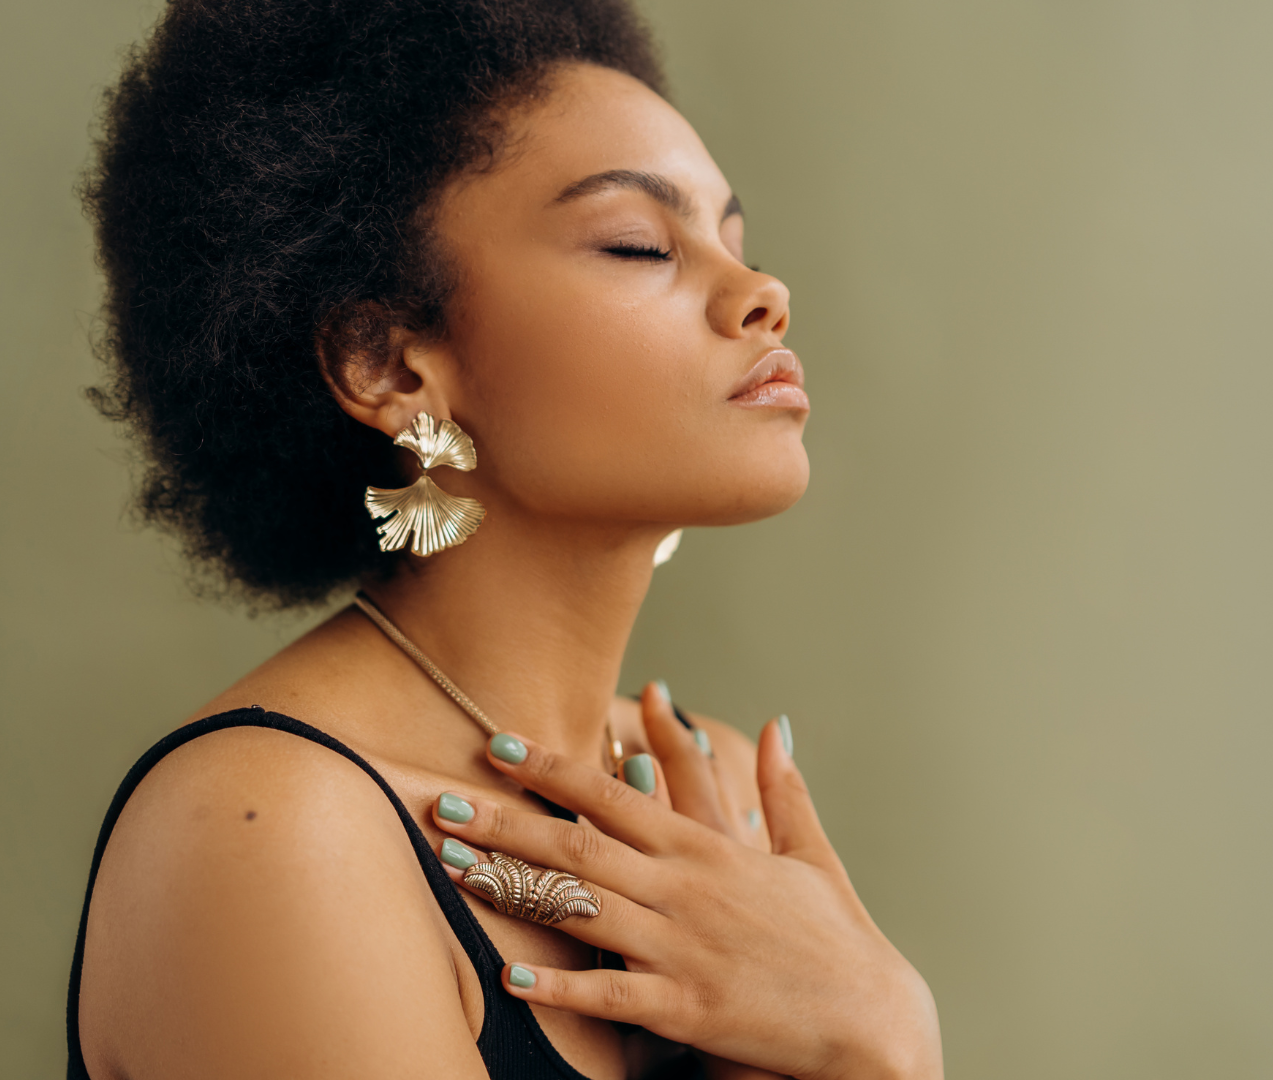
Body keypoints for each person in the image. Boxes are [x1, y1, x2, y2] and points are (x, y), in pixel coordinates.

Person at [68, 1, 942, 1077]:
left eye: (734, 240)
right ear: (388, 365)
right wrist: (882, 1040)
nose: (763, 295)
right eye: (639, 244)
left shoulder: (705, 801)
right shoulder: (270, 832)